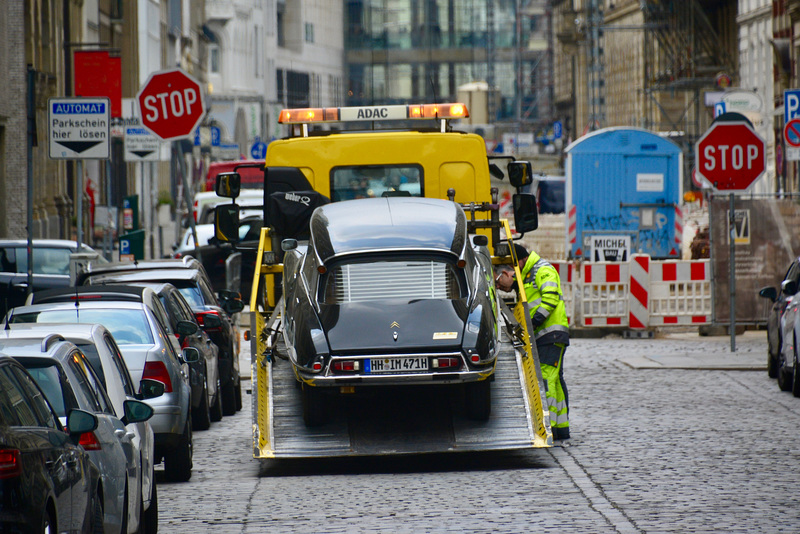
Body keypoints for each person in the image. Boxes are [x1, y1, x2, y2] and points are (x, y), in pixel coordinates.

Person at [496, 243, 570, 440]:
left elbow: (550, 299)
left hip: (550, 333)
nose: (514, 272)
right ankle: (561, 427)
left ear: (521, 260)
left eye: (514, 267)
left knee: (547, 378)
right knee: (556, 379)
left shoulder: (542, 270)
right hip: (547, 334)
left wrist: (533, 322)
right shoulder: (527, 276)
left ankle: (550, 426)